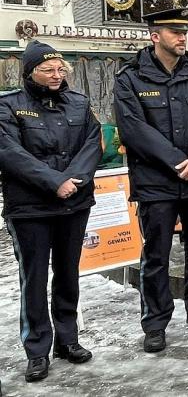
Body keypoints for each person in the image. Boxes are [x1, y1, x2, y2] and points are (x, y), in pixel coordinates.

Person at [113, 8, 188, 352]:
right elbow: (133, 129)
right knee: (157, 255)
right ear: (154, 36)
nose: (182, 37)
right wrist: (180, 162)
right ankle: (156, 322)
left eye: (185, 32)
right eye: (175, 32)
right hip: (157, 183)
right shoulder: (130, 78)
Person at [0, 41, 102, 382]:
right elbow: (10, 153)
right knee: (35, 279)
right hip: (30, 208)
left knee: (68, 274)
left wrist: (76, 179)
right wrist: (55, 182)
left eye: (61, 70)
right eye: (48, 70)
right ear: (31, 72)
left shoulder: (80, 103)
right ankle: (37, 349)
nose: (57, 75)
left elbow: (92, 143)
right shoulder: (9, 106)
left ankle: (68, 340)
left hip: (74, 202)